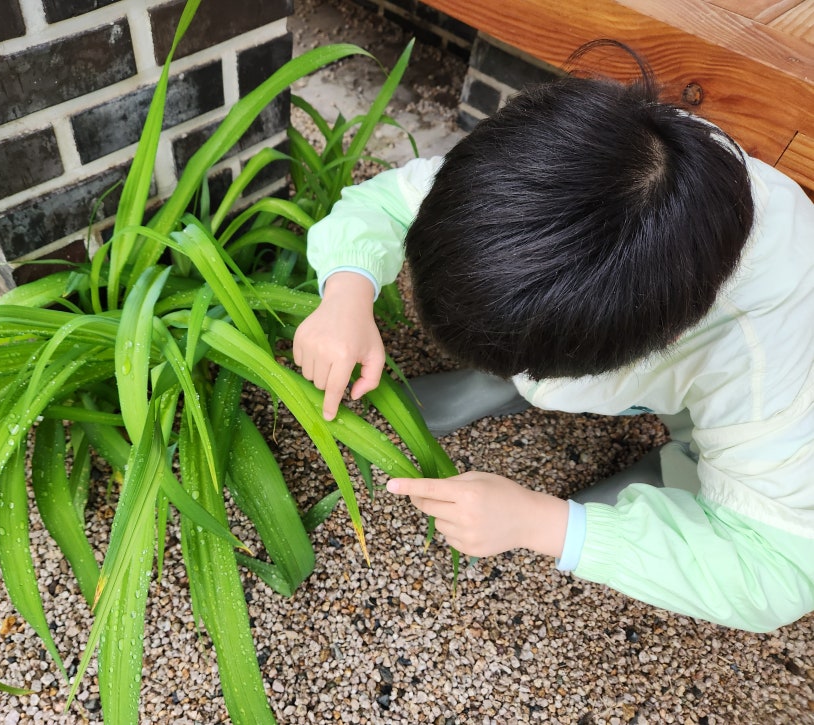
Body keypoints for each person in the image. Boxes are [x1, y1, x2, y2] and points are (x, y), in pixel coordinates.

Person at [291, 52, 814, 633]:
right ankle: (497, 381)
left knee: (695, 492)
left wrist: (548, 524)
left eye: (532, 365)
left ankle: (675, 472)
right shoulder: (568, 166)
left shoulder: (773, 353)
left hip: (728, 396)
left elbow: (778, 564)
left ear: (655, 335)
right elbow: (389, 202)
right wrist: (346, 291)